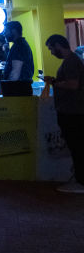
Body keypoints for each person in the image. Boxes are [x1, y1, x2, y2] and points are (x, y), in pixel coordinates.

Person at [44, 35, 84, 194]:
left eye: (51, 48)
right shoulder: (72, 61)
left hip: (73, 111)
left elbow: (73, 84)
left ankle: (81, 182)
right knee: (77, 146)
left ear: (58, 45)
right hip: (72, 110)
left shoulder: (71, 62)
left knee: (77, 146)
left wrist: (54, 82)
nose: (52, 52)